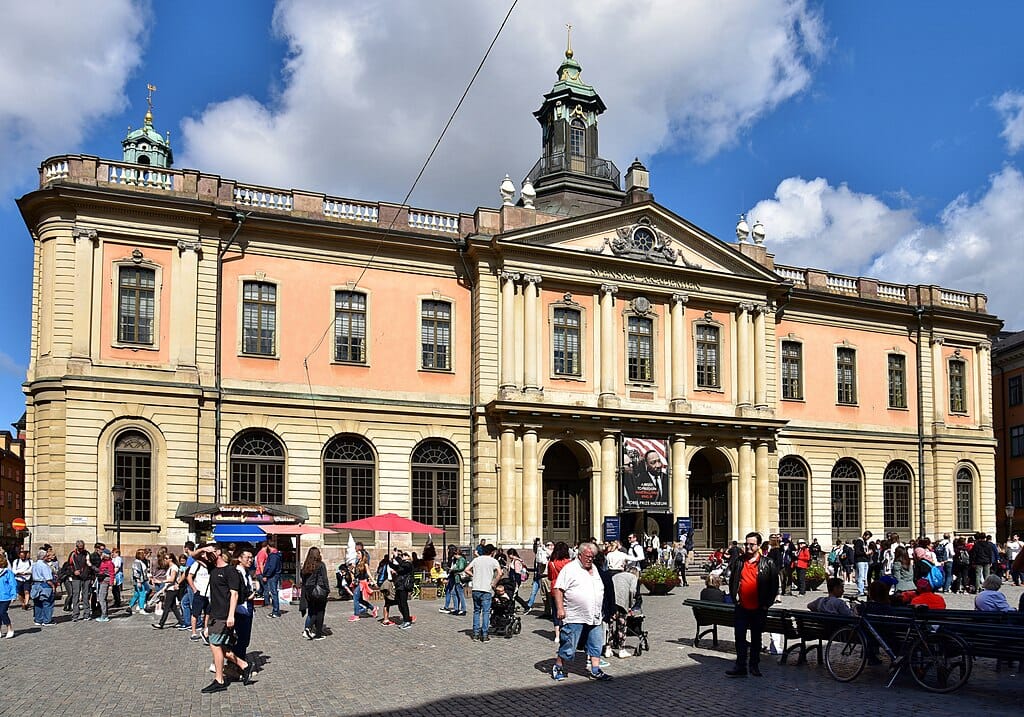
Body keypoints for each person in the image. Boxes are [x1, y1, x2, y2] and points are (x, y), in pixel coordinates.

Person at [193, 544, 253, 693]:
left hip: (224, 615)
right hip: (214, 613)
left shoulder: (230, 571)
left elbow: (234, 594)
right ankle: (244, 665)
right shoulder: (212, 568)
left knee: (214, 644)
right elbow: (193, 556)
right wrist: (202, 550)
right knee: (222, 648)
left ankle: (219, 680)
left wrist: (231, 615)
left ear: (218, 552)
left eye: (211, 550)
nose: (207, 555)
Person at [550, 541, 611, 682]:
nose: (590, 559)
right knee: (569, 644)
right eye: (588, 556)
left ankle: (595, 670)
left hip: (595, 615)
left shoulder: (594, 569)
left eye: (593, 556)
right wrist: (560, 608)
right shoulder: (570, 569)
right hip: (574, 615)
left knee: (596, 643)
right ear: (579, 555)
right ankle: (558, 666)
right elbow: (558, 589)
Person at [725, 531, 779, 678]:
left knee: (756, 638)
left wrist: (766, 604)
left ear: (759, 545)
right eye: (746, 544)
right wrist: (735, 598)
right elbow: (732, 580)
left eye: (752, 544)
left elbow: (774, 586)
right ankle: (740, 665)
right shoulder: (739, 562)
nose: (748, 547)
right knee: (739, 637)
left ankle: (754, 665)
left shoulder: (768, 563)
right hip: (742, 607)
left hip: (758, 607)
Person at [464, 543, 501, 642]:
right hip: (486, 589)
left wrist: (474, 575)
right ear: (492, 552)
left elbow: (466, 569)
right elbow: (500, 573)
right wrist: (494, 582)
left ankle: (475, 634)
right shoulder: (493, 561)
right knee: (485, 612)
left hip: (476, 588)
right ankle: (484, 635)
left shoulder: (477, 559)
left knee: (476, 611)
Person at [233, 547, 258, 664]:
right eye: (247, 558)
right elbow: (235, 592)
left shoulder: (246, 572)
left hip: (248, 609)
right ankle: (238, 665)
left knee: (245, 639)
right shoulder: (236, 573)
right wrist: (247, 596)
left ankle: (240, 662)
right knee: (240, 639)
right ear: (239, 559)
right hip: (239, 609)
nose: (250, 560)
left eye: (251, 558)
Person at [301, 546, 330, 640]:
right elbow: (325, 579)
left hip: (309, 592)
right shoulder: (320, 565)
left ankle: (308, 628)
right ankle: (317, 633)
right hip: (319, 591)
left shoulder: (306, 566)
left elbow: (304, 579)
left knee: (312, 611)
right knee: (320, 612)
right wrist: (327, 590)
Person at [547, 541, 572, 643]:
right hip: (567, 588)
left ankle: (557, 635)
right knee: (567, 610)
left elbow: (549, 577)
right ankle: (566, 632)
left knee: (556, 611)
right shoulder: (569, 563)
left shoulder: (551, 563)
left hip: (554, 587)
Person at [152, 552, 182, 629]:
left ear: (171, 559)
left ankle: (161, 623)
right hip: (169, 588)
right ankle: (181, 621)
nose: (165, 560)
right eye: (164, 558)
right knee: (173, 607)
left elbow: (172, 579)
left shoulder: (174, 568)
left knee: (166, 606)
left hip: (172, 589)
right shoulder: (170, 567)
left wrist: (160, 581)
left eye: (166, 558)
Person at [30, 548, 55, 626]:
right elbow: (48, 579)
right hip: (44, 585)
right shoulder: (44, 566)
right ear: (44, 557)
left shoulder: (34, 564)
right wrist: (53, 586)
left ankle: (38, 619)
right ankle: (47, 620)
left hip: (35, 585)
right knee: (47, 602)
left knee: (37, 603)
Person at [391, 550, 415, 630]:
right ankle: (406, 618)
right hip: (399, 585)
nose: (403, 556)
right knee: (399, 603)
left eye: (405, 554)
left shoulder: (409, 564)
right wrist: (390, 560)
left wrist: (397, 556)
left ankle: (407, 621)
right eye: (403, 554)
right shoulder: (403, 565)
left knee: (403, 603)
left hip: (404, 586)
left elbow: (402, 565)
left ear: (409, 557)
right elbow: (396, 567)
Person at [441, 546, 467, 616]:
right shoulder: (458, 560)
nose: (454, 557)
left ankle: (463, 609)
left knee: (460, 594)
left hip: (459, 578)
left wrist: (452, 569)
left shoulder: (461, 559)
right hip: (456, 578)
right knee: (454, 593)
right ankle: (456, 608)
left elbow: (461, 568)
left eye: (455, 555)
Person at [525, 539, 550, 612]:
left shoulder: (546, 554)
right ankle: (529, 606)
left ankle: (548, 609)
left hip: (544, 577)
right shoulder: (537, 555)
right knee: (534, 592)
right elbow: (535, 550)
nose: (538, 547)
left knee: (546, 595)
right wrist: (535, 543)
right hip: (537, 577)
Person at [262, 543, 282, 619]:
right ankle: (276, 610)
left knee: (274, 593)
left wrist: (266, 575)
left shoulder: (273, 555)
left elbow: (272, 567)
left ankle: (276, 611)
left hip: (272, 576)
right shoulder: (276, 554)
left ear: (268, 546)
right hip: (274, 575)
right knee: (274, 593)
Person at [94, 549, 116, 622]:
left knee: (102, 598)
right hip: (101, 580)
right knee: (102, 598)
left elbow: (112, 573)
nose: (101, 555)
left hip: (105, 580)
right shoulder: (103, 561)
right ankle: (104, 614)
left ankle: (104, 615)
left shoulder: (109, 563)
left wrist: (111, 583)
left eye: (103, 554)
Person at [0, 553, 17, 637]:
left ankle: (9, 628)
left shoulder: (7, 573)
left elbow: (12, 584)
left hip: (5, 596)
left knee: (2, 612)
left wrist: (13, 595)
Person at [853, 530, 872, 596]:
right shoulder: (859, 541)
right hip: (860, 560)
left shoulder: (865, 542)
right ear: (864, 535)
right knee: (861, 576)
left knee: (864, 576)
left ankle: (863, 589)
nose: (868, 539)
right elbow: (857, 552)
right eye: (868, 537)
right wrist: (865, 553)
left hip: (865, 560)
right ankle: (860, 590)